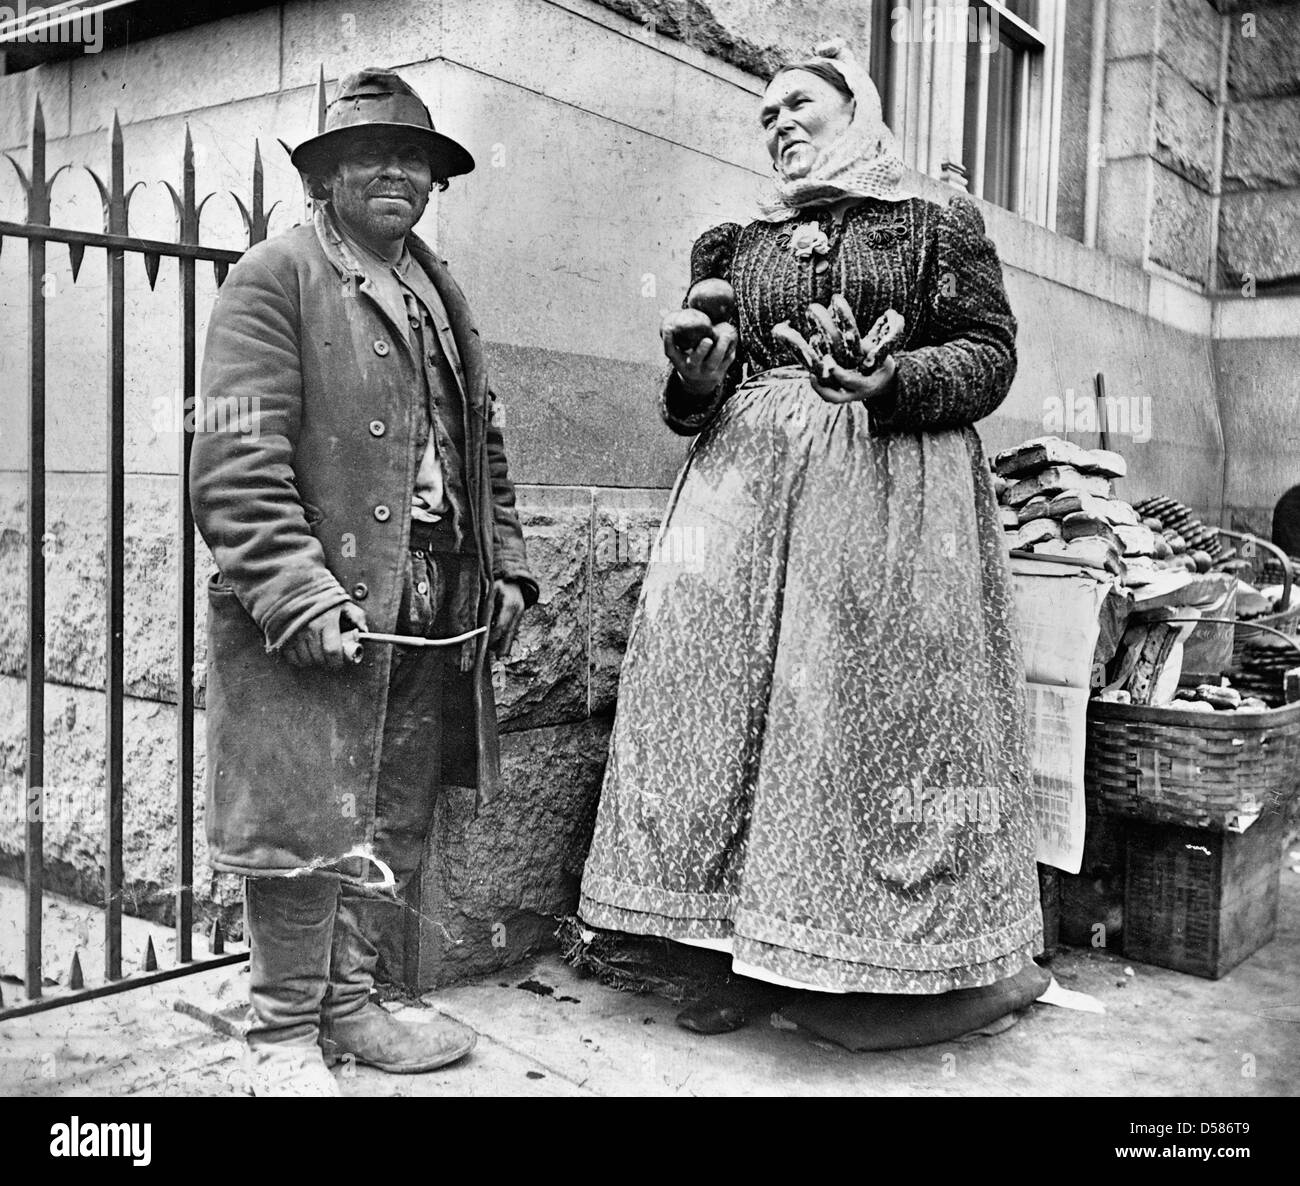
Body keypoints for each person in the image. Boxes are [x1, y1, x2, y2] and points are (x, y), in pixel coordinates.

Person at [578, 40, 1042, 1036]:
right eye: (766, 114)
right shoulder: (735, 246)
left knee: (856, 721)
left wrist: (893, 380)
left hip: (883, 496)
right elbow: (699, 398)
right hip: (741, 505)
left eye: (799, 103)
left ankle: (876, 961)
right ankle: (726, 952)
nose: (778, 121)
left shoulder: (932, 221)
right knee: (721, 715)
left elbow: (989, 354)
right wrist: (699, 376)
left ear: (854, 106)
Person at [191, 67, 538, 1095]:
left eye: (416, 160)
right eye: (368, 156)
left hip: (427, 596)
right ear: (326, 177)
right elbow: (232, 461)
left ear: (435, 183)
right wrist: (296, 594)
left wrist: (507, 564)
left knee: (387, 808)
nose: (396, 172)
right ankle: (285, 1032)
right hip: (324, 599)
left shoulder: (438, 292)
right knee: (305, 812)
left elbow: (485, 448)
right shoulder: (274, 277)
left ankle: (349, 1005)